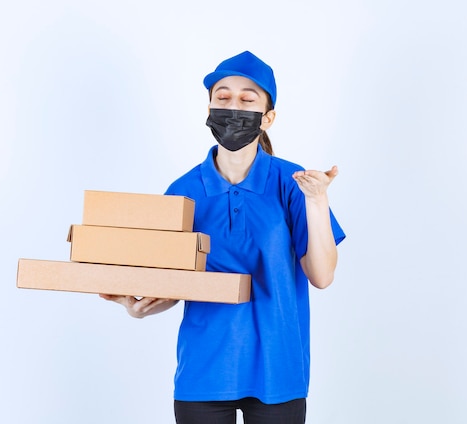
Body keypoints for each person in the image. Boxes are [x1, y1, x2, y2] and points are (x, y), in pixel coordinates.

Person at [100, 50, 346, 424]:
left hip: (278, 369)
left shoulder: (293, 182)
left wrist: (317, 201)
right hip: (204, 369)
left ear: (267, 118)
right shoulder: (183, 191)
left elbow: (322, 276)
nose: (233, 106)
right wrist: (139, 307)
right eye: (223, 97)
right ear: (209, 109)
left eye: (247, 99)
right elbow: (175, 283)